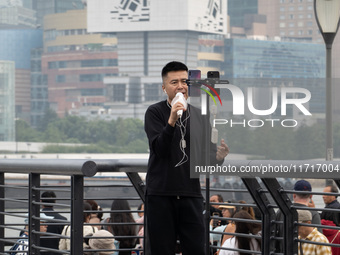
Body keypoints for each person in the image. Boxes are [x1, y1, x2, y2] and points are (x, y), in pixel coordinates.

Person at [144, 61, 229, 254]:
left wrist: (218, 157)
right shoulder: (155, 112)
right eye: (174, 82)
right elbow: (159, 149)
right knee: (161, 249)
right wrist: (172, 119)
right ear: (164, 87)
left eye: (184, 81)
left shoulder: (199, 115)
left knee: (196, 249)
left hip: (190, 193)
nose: (181, 86)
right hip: (161, 194)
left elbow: (206, 159)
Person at [275, 179, 321, 253]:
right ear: (311, 196)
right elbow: (319, 241)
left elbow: (274, 236)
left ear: (294, 195)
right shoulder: (314, 214)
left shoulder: (281, 211)